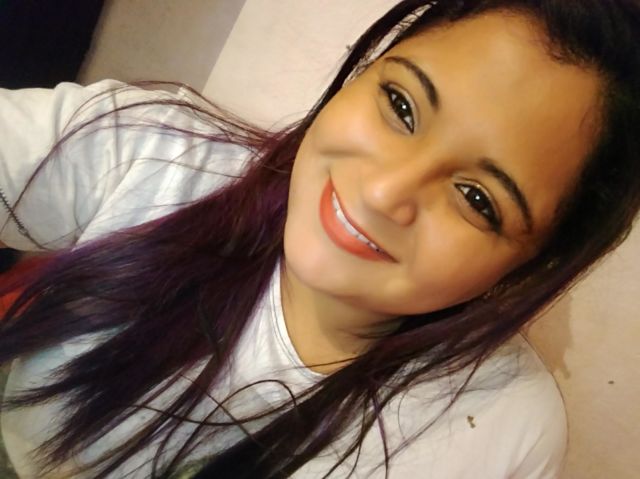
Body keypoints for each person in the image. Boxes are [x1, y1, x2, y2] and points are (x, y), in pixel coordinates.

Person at [1, 1, 639, 477]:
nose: (384, 192)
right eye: (401, 105)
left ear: (531, 263)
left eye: (478, 199)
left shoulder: (497, 430)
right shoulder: (159, 153)